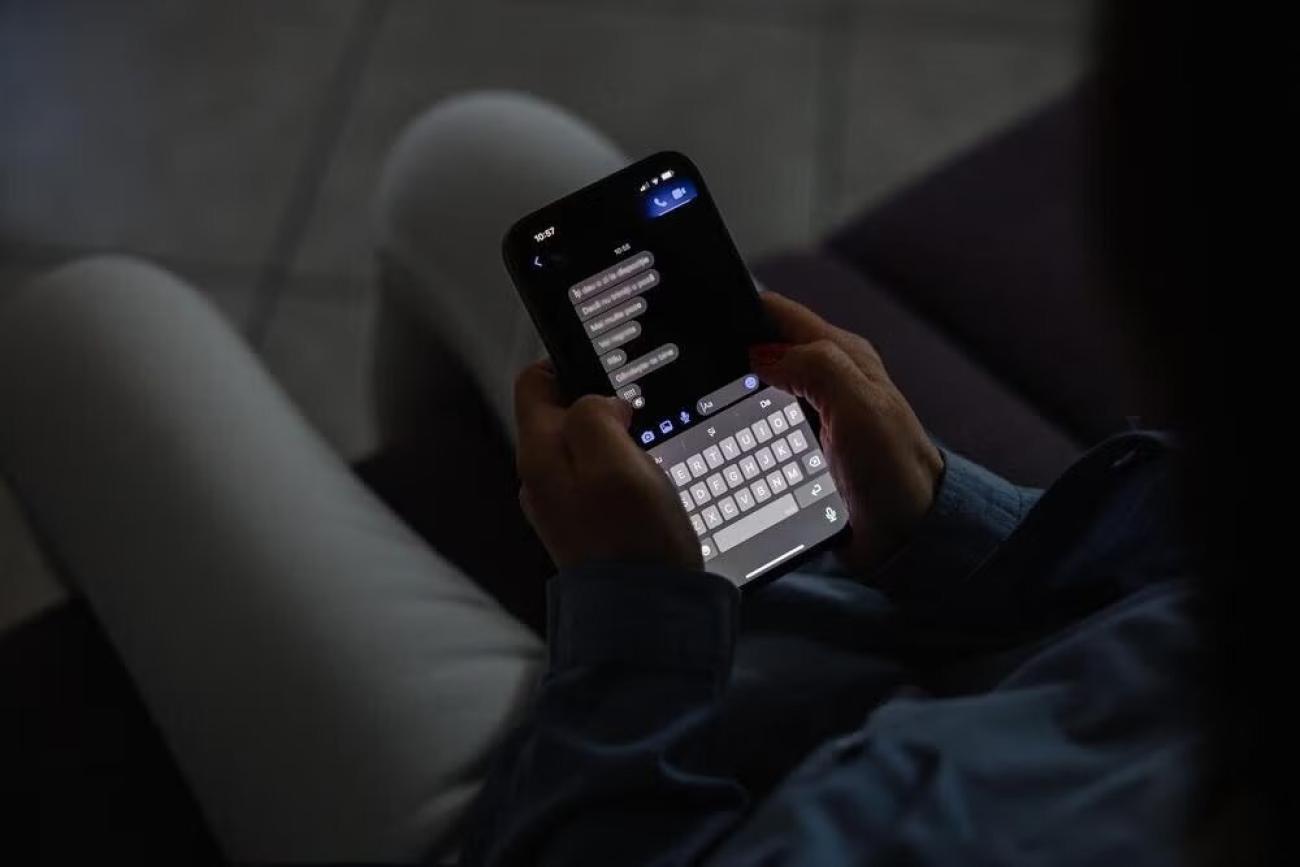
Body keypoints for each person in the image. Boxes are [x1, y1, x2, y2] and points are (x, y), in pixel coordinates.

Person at [0, 4, 1262, 864]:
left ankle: (517, 561)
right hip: (902, 661)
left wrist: (624, 612)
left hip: (601, 809)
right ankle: (496, 528)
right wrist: (941, 517)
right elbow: (1157, 580)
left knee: (82, 328)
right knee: (478, 150)